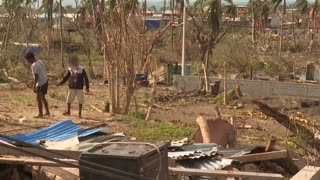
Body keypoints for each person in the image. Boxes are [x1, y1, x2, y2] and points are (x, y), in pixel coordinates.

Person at [24, 52, 50, 118]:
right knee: (43, 98)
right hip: (45, 80)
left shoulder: (34, 65)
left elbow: (36, 76)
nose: (28, 62)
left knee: (38, 98)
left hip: (40, 82)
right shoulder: (40, 61)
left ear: (30, 58)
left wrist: (34, 85)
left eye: (27, 60)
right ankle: (47, 112)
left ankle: (40, 114)